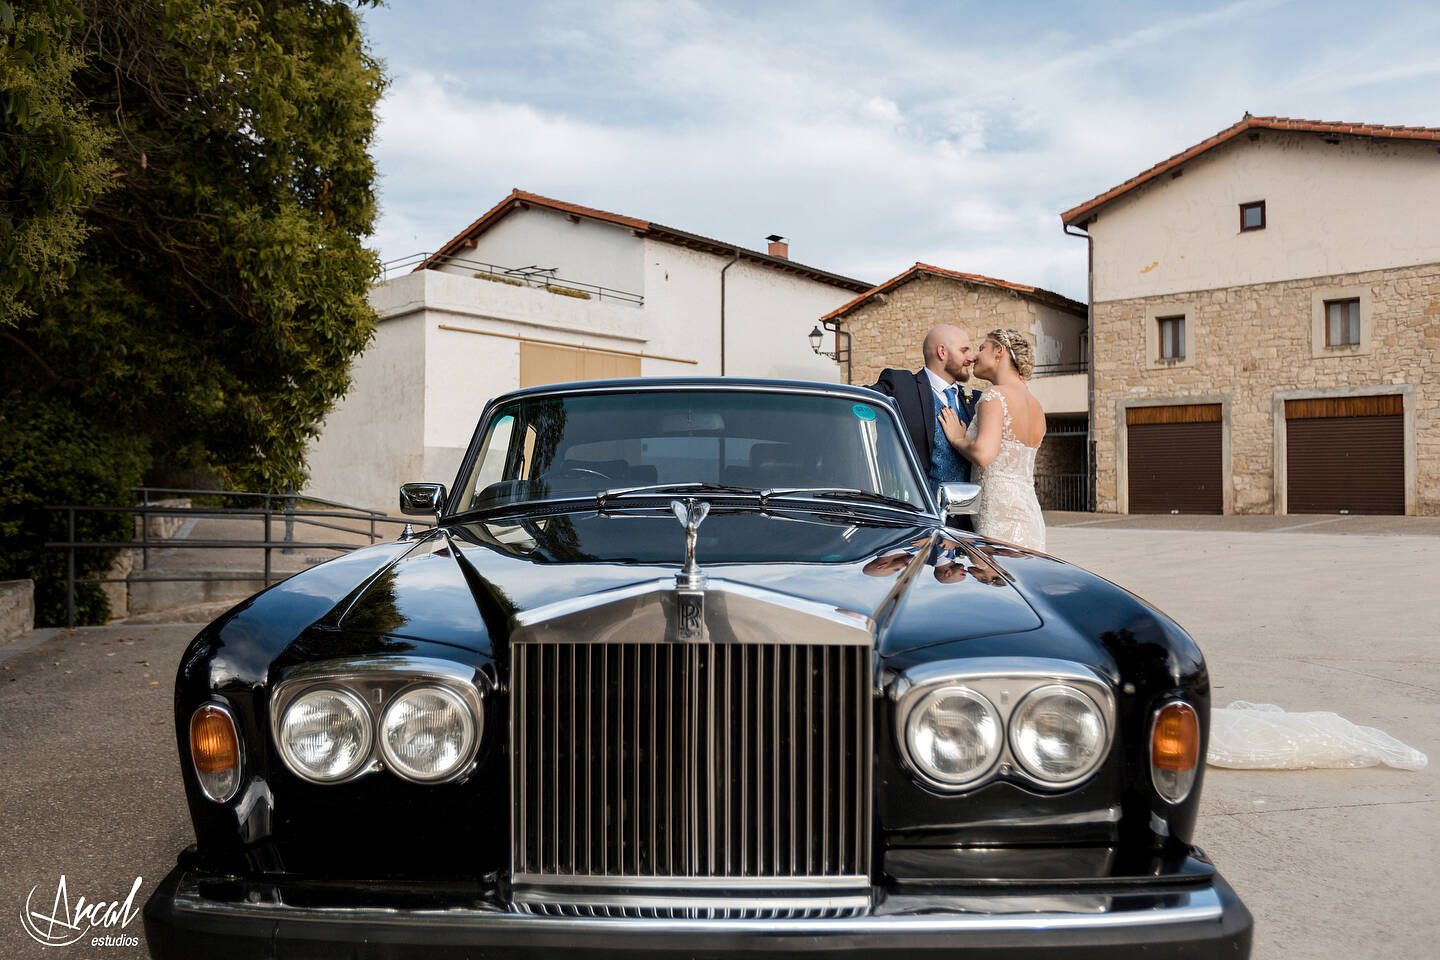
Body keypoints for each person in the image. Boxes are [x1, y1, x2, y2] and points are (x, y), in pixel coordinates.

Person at [936, 328, 1046, 551]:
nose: (975, 356)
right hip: (1031, 521)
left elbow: (984, 455)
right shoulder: (1036, 406)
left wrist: (957, 439)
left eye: (982, 348)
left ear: (999, 351)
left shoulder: (995, 395)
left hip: (1000, 521)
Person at [866, 325, 980, 525]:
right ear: (942, 351)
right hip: (913, 520)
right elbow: (854, 403)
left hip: (966, 526)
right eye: (964, 350)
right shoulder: (900, 386)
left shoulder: (977, 400)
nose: (971, 358)